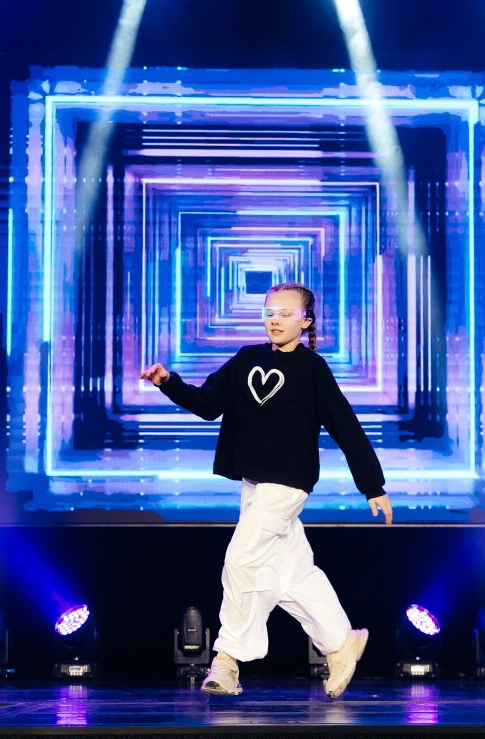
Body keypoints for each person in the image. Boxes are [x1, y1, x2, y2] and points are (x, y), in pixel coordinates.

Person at [140, 282, 393, 698]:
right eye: (270, 312)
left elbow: (346, 426)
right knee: (292, 574)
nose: (275, 320)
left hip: (289, 485)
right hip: (255, 483)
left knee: (241, 559)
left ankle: (228, 660)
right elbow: (208, 404)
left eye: (286, 313)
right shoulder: (247, 359)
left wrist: (372, 485)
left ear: (306, 321)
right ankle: (340, 641)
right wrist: (168, 382)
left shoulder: (313, 369)